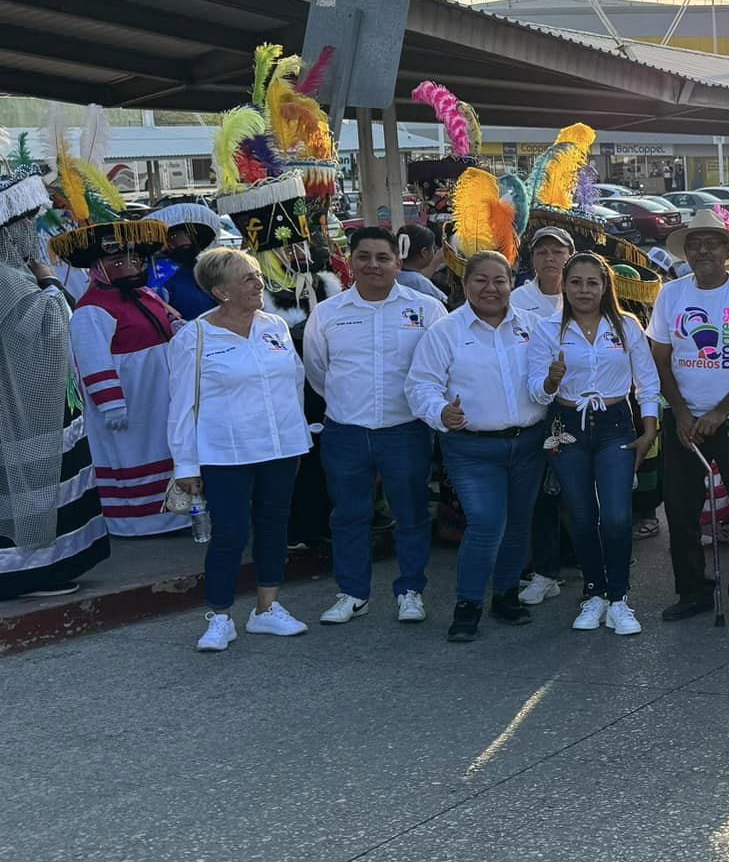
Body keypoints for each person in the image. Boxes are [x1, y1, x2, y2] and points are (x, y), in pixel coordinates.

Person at [166, 247, 315, 652]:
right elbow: (181, 406)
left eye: (256, 275)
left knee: (273, 528)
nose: (259, 282)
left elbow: (294, 385)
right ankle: (219, 616)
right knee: (229, 534)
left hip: (281, 449)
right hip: (224, 454)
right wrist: (186, 465)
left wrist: (298, 440)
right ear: (221, 291)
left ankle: (267, 610)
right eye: (247, 277)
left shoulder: (276, 327)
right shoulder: (194, 337)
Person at [302, 226, 446, 625]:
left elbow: (440, 368)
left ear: (398, 262)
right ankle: (352, 593)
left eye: (383, 258)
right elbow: (318, 372)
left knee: (412, 513)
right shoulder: (327, 314)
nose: (373, 265)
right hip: (345, 432)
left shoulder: (427, 309)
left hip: (406, 431)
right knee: (349, 516)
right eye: (364, 257)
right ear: (351, 262)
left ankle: (411, 590)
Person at [404, 251, 548, 643]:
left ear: (512, 285)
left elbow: (552, 376)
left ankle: (505, 595)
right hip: (471, 448)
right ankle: (468, 604)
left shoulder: (534, 327)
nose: (491, 288)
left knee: (519, 524)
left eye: (499, 280)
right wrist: (440, 412)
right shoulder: (445, 332)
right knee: (486, 523)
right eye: (480, 280)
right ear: (465, 286)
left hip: (528, 443)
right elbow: (420, 385)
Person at [649, 210, 729, 623]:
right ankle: (692, 591)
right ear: (685, 251)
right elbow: (660, 358)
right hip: (684, 420)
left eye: (712, 243)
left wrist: (721, 412)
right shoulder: (670, 294)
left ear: (727, 250)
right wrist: (682, 413)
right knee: (681, 510)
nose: (703, 250)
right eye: (694, 243)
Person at [529, 253, 660, 635]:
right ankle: (594, 593)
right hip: (565, 425)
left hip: (615, 424)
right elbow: (535, 391)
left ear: (605, 287)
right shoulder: (547, 328)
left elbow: (647, 381)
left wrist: (649, 427)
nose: (584, 290)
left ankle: (619, 597)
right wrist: (552, 381)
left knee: (618, 516)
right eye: (576, 282)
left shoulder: (626, 326)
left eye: (592, 282)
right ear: (565, 286)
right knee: (581, 515)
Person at [0, 169, 110, 601]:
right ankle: (32, 571)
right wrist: (47, 279)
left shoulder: (12, 272)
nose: (31, 232)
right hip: (26, 405)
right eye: (23, 224)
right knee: (31, 482)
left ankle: (54, 562)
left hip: (41, 397)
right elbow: (56, 323)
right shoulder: (7, 278)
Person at [68, 235, 188, 536]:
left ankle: (175, 511)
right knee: (133, 452)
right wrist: (111, 403)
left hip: (159, 392)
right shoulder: (91, 308)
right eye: (118, 261)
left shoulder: (146, 294)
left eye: (135, 259)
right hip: (130, 397)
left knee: (163, 446)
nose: (131, 265)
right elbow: (91, 358)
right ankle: (138, 519)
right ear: (99, 268)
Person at [509, 226, 573, 609]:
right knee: (542, 498)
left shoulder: (584, 291)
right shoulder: (517, 299)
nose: (550, 259)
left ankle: (591, 564)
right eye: (542, 252)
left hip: (582, 410)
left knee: (584, 493)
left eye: (557, 252)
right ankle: (545, 570)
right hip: (536, 411)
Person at [148, 204, 227, 321]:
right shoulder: (157, 274)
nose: (172, 243)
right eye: (172, 237)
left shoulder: (206, 268)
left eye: (190, 235)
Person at [396, 222, 451, 303]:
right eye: (433, 248)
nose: (434, 251)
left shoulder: (393, 276)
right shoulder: (419, 283)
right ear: (424, 252)